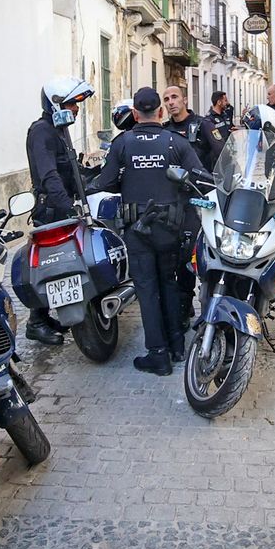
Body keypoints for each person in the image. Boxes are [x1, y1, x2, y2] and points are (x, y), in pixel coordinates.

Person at [87, 87, 205, 375]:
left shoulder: (122, 144)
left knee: (147, 289)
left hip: (137, 230)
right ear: (161, 112)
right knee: (169, 283)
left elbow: (105, 182)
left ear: (136, 113)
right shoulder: (175, 142)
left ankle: (158, 354)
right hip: (170, 228)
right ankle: (177, 346)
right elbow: (200, 178)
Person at [23, 75, 95, 344]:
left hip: (63, 205)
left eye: (77, 103)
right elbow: (49, 175)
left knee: (65, 263)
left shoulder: (59, 129)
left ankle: (47, 316)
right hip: (51, 209)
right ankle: (36, 322)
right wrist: (67, 208)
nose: (76, 109)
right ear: (55, 103)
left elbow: (69, 168)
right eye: (72, 103)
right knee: (49, 264)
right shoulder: (41, 131)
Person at [163, 85, 224, 334]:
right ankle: (183, 305)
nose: (170, 102)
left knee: (195, 254)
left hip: (200, 200)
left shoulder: (204, 126)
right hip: (172, 201)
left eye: (175, 97)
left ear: (185, 99)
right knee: (177, 255)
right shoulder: (165, 131)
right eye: (166, 99)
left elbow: (224, 155)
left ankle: (208, 303)